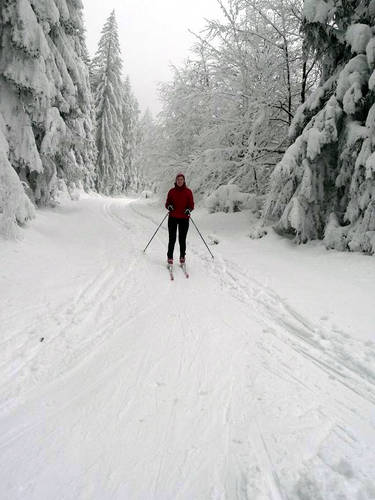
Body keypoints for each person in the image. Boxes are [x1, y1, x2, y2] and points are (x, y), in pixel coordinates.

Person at [165, 173, 194, 265]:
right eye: (178, 179)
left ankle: (182, 256)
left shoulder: (188, 192)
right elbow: (167, 203)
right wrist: (169, 206)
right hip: (173, 217)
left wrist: (188, 209)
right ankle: (170, 257)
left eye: (181, 179)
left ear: (184, 180)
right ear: (176, 181)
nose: (180, 181)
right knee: (172, 238)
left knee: (182, 239)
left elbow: (191, 205)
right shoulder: (171, 191)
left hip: (184, 219)